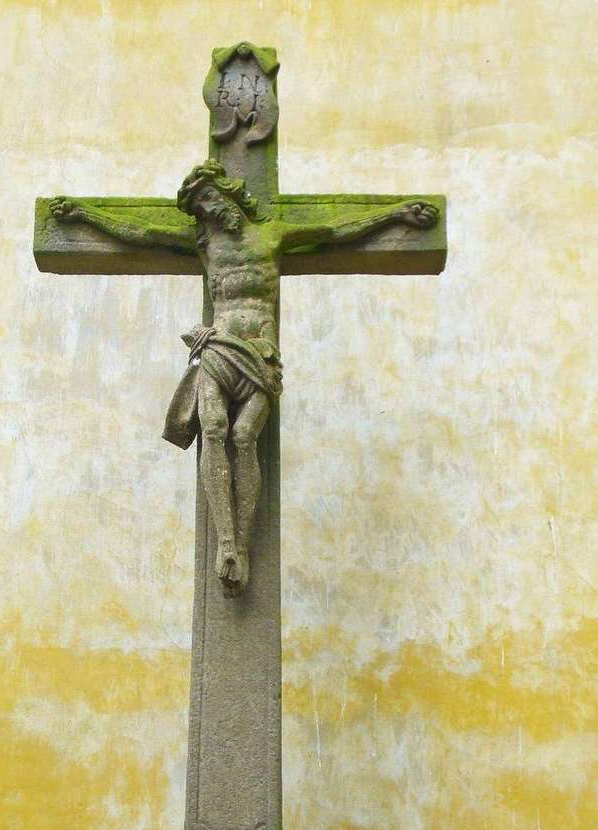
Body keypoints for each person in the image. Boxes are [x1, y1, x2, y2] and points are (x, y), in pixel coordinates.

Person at [50, 159, 437, 596]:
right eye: (201, 208)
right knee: (214, 430)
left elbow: (335, 231)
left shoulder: (273, 234)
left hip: (259, 357)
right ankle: (227, 543)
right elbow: (141, 234)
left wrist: (395, 214)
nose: (210, 211)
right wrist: (85, 216)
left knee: (244, 437)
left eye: (211, 199)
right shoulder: (204, 245)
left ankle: (243, 540)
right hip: (219, 350)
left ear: (229, 192)